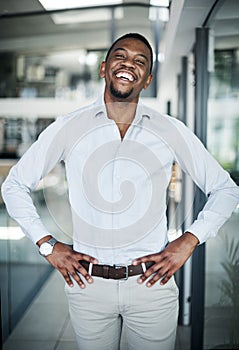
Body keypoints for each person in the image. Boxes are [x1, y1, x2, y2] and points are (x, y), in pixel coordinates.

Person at [1, 33, 239, 350]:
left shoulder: (169, 130)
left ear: (148, 79)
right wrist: (47, 245)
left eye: (140, 61)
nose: (129, 64)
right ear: (104, 68)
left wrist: (188, 240)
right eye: (121, 56)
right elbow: (14, 184)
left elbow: (226, 189)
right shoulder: (69, 127)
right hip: (88, 286)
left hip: (151, 285)